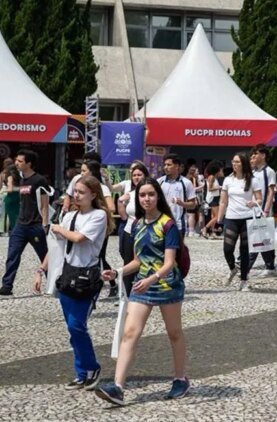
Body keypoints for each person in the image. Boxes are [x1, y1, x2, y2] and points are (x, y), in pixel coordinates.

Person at [95, 178, 190, 405]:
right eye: (142, 195)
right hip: (142, 285)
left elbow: (169, 263)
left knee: (174, 333)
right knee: (130, 333)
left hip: (167, 285)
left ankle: (180, 379)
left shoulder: (168, 225)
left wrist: (152, 279)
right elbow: (138, 260)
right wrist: (117, 272)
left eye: (151, 194)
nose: (146, 199)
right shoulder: (137, 224)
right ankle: (118, 387)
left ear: (158, 197)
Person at [32, 175, 113, 391]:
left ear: (93, 195)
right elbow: (56, 247)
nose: (76, 195)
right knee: (72, 327)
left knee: (78, 325)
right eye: (75, 191)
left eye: (81, 192)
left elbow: (79, 238)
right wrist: (41, 269)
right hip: (66, 276)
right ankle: (81, 372)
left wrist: (58, 228)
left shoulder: (99, 216)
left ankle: (91, 367)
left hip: (86, 277)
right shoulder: (70, 216)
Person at [0, 150, 50, 297]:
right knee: (12, 255)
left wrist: (45, 224)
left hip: (36, 225)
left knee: (45, 256)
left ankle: (55, 284)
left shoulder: (39, 180)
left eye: (20, 161)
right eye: (16, 160)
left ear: (29, 164)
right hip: (20, 225)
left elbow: (44, 204)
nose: (16, 163)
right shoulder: (22, 179)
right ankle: (6, 287)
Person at [214, 152, 263, 291]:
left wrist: (254, 202)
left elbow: (259, 198)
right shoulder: (228, 180)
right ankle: (233, 268)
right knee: (227, 248)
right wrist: (219, 219)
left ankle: (244, 280)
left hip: (247, 217)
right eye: (233, 161)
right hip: (231, 217)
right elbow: (223, 201)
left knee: (245, 250)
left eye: (237, 162)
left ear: (244, 164)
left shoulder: (253, 180)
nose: (234, 164)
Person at [81, 160, 118, 297]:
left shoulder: (102, 188)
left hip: (100, 228)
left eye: (84, 171)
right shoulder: (81, 187)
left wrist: (96, 211)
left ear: (92, 172)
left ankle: (109, 283)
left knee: (99, 256)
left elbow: (112, 207)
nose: (81, 173)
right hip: (84, 226)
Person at [115, 162, 149, 296]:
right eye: (134, 175)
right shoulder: (131, 193)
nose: (136, 177)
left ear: (145, 175)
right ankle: (126, 294)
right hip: (129, 231)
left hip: (145, 231)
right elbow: (123, 216)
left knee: (144, 262)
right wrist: (120, 202)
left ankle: (143, 290)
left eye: (139, 174)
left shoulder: (149, 193)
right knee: (128, 262)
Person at [249, 145, 277, 277]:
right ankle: (270, 266)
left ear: (263, 155)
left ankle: (246, 265)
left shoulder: (269, 171)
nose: (253, 157)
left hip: (263, 210)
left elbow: (271, 191)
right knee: (263, 238)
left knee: (259, 237)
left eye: (256, 154)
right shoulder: (253, 172)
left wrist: (266, 210)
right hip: (252, 209)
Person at [157, 154, 196, 235]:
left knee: (177, 247)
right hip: (160, 223)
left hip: (178, 225)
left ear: (177, 166)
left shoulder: (186, 183)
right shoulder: (159, 182)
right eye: (164, 165)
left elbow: (193, 204)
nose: (165, 167)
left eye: (169, 165)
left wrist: (182, 203)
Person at [0, 158, 20, 234]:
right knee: (16, 214)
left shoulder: (3, 174)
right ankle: (15, 230)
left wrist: (3, 190)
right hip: (17, 195)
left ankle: (4, 230)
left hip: (7, 195)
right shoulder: (18, 175)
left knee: (4, 215)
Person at [202, 161, 223, 238]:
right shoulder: (212, 177)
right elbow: (210, 188)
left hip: (215, 197)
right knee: (217, 216)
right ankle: (205, 228)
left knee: (213, 216)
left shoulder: (213, 177)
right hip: (213, 198)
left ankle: (212, 232)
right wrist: (220, 187)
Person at [184, 165, 203, 237]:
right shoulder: (193, 179)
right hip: (191, 198)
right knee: (191, 215)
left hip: (185, 198)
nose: (198, 173)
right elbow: (193, 189)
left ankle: (186, 230)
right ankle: (191, 231)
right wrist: (202, 186)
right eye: (197, 171)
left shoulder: (185, 178)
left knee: (186, 215)